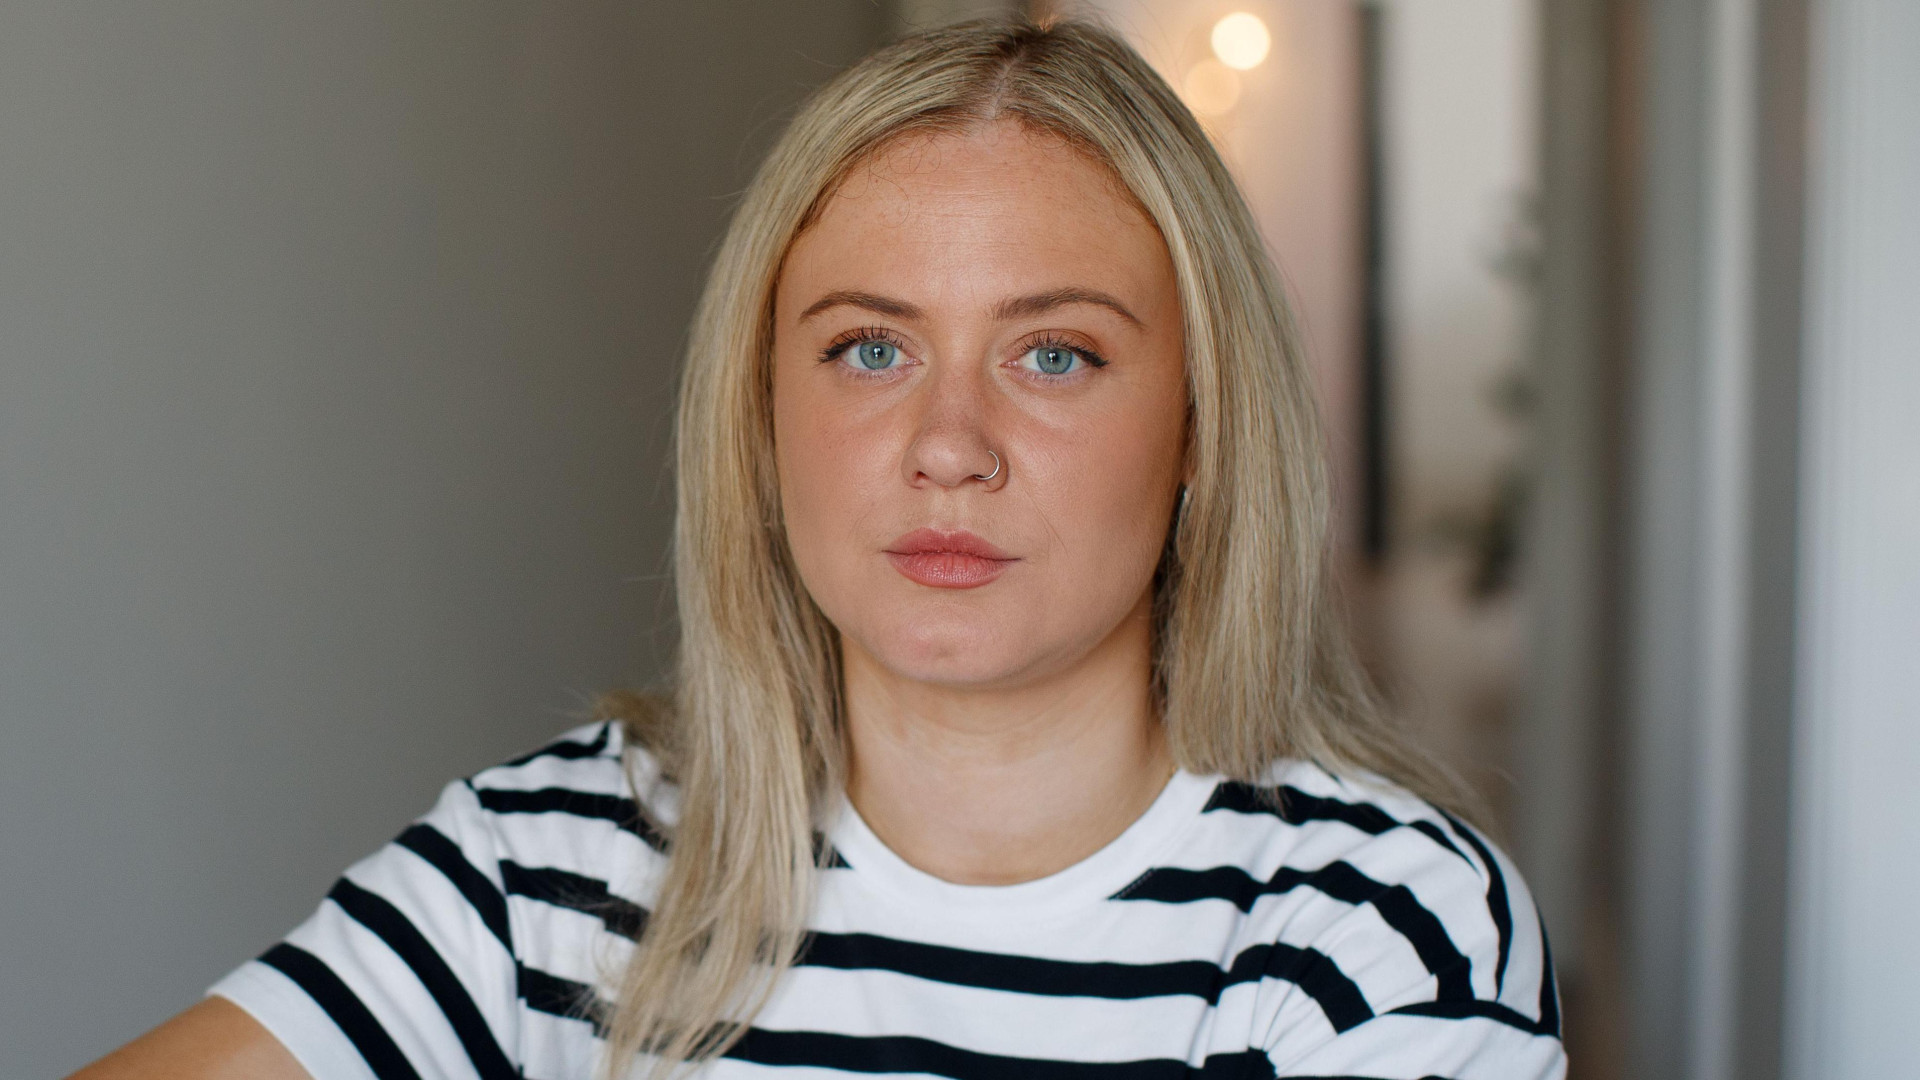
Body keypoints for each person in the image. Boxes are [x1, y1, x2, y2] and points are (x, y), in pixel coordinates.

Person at [73, 16, 1566, 1080]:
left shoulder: (1379, 932)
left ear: (1201, 428)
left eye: (1054, 355)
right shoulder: (553, 867)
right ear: (764, 417)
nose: (949, 444)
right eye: (869, 349)